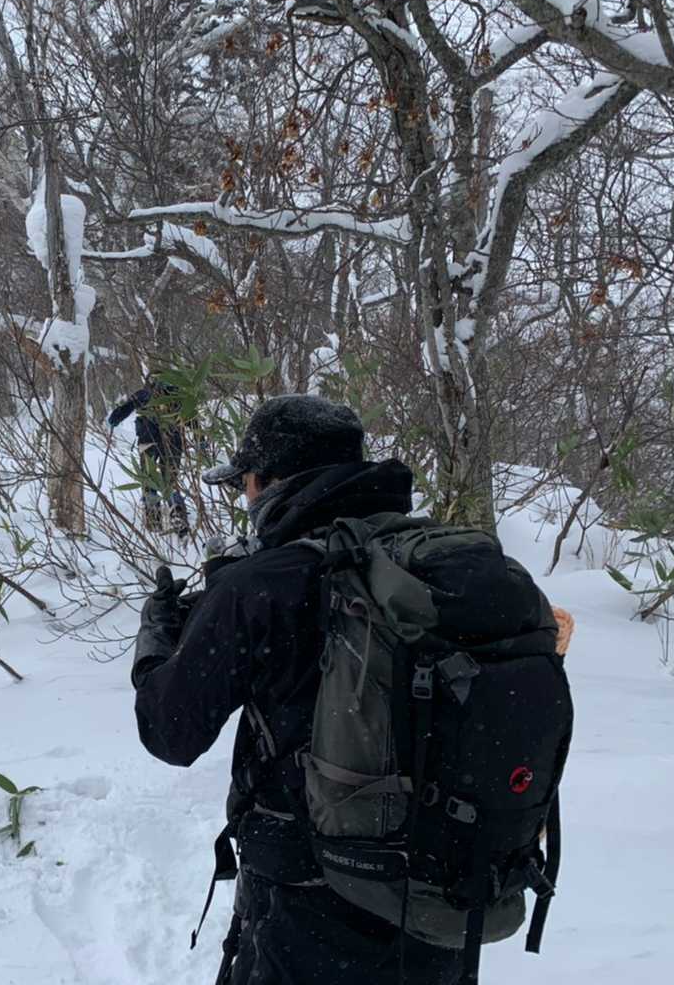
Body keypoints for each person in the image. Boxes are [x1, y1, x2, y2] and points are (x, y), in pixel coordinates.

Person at [130, 395, 481, 984]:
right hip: (440, 894)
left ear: (271, 481)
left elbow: (169, 731)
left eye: (245, 483)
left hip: (307, 901)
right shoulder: (436, 565)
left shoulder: (262, 585)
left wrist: (156, 642)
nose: (244, 500)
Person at [107, 376, 191, 535]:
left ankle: (154, 520)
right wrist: (201, 439)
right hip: (173, 441)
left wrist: (114, 420)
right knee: (170, 480)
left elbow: (124, 409)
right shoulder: (177, 395)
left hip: (148, 441)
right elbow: (191, 418)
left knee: (148, 479)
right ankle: (177, 515)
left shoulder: (143, 394)